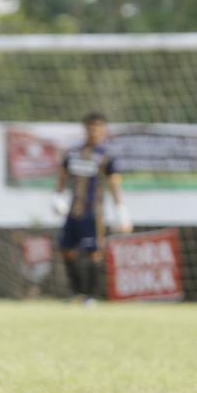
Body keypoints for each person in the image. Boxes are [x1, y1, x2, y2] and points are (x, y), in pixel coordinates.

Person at [52, 112, 132, 304]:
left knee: (93, 253)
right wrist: (57, 197)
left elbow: (114, 184)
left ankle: (91, 296)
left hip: (93, 213)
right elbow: (62, 177)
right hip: (73, 212)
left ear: (103, 129)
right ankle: (75, 292)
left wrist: (121, 211)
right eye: (90, 126)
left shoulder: (106, 156)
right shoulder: (72, 153)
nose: (94, 130)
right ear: (85, 128)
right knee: (67, 250)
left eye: (98, 127)